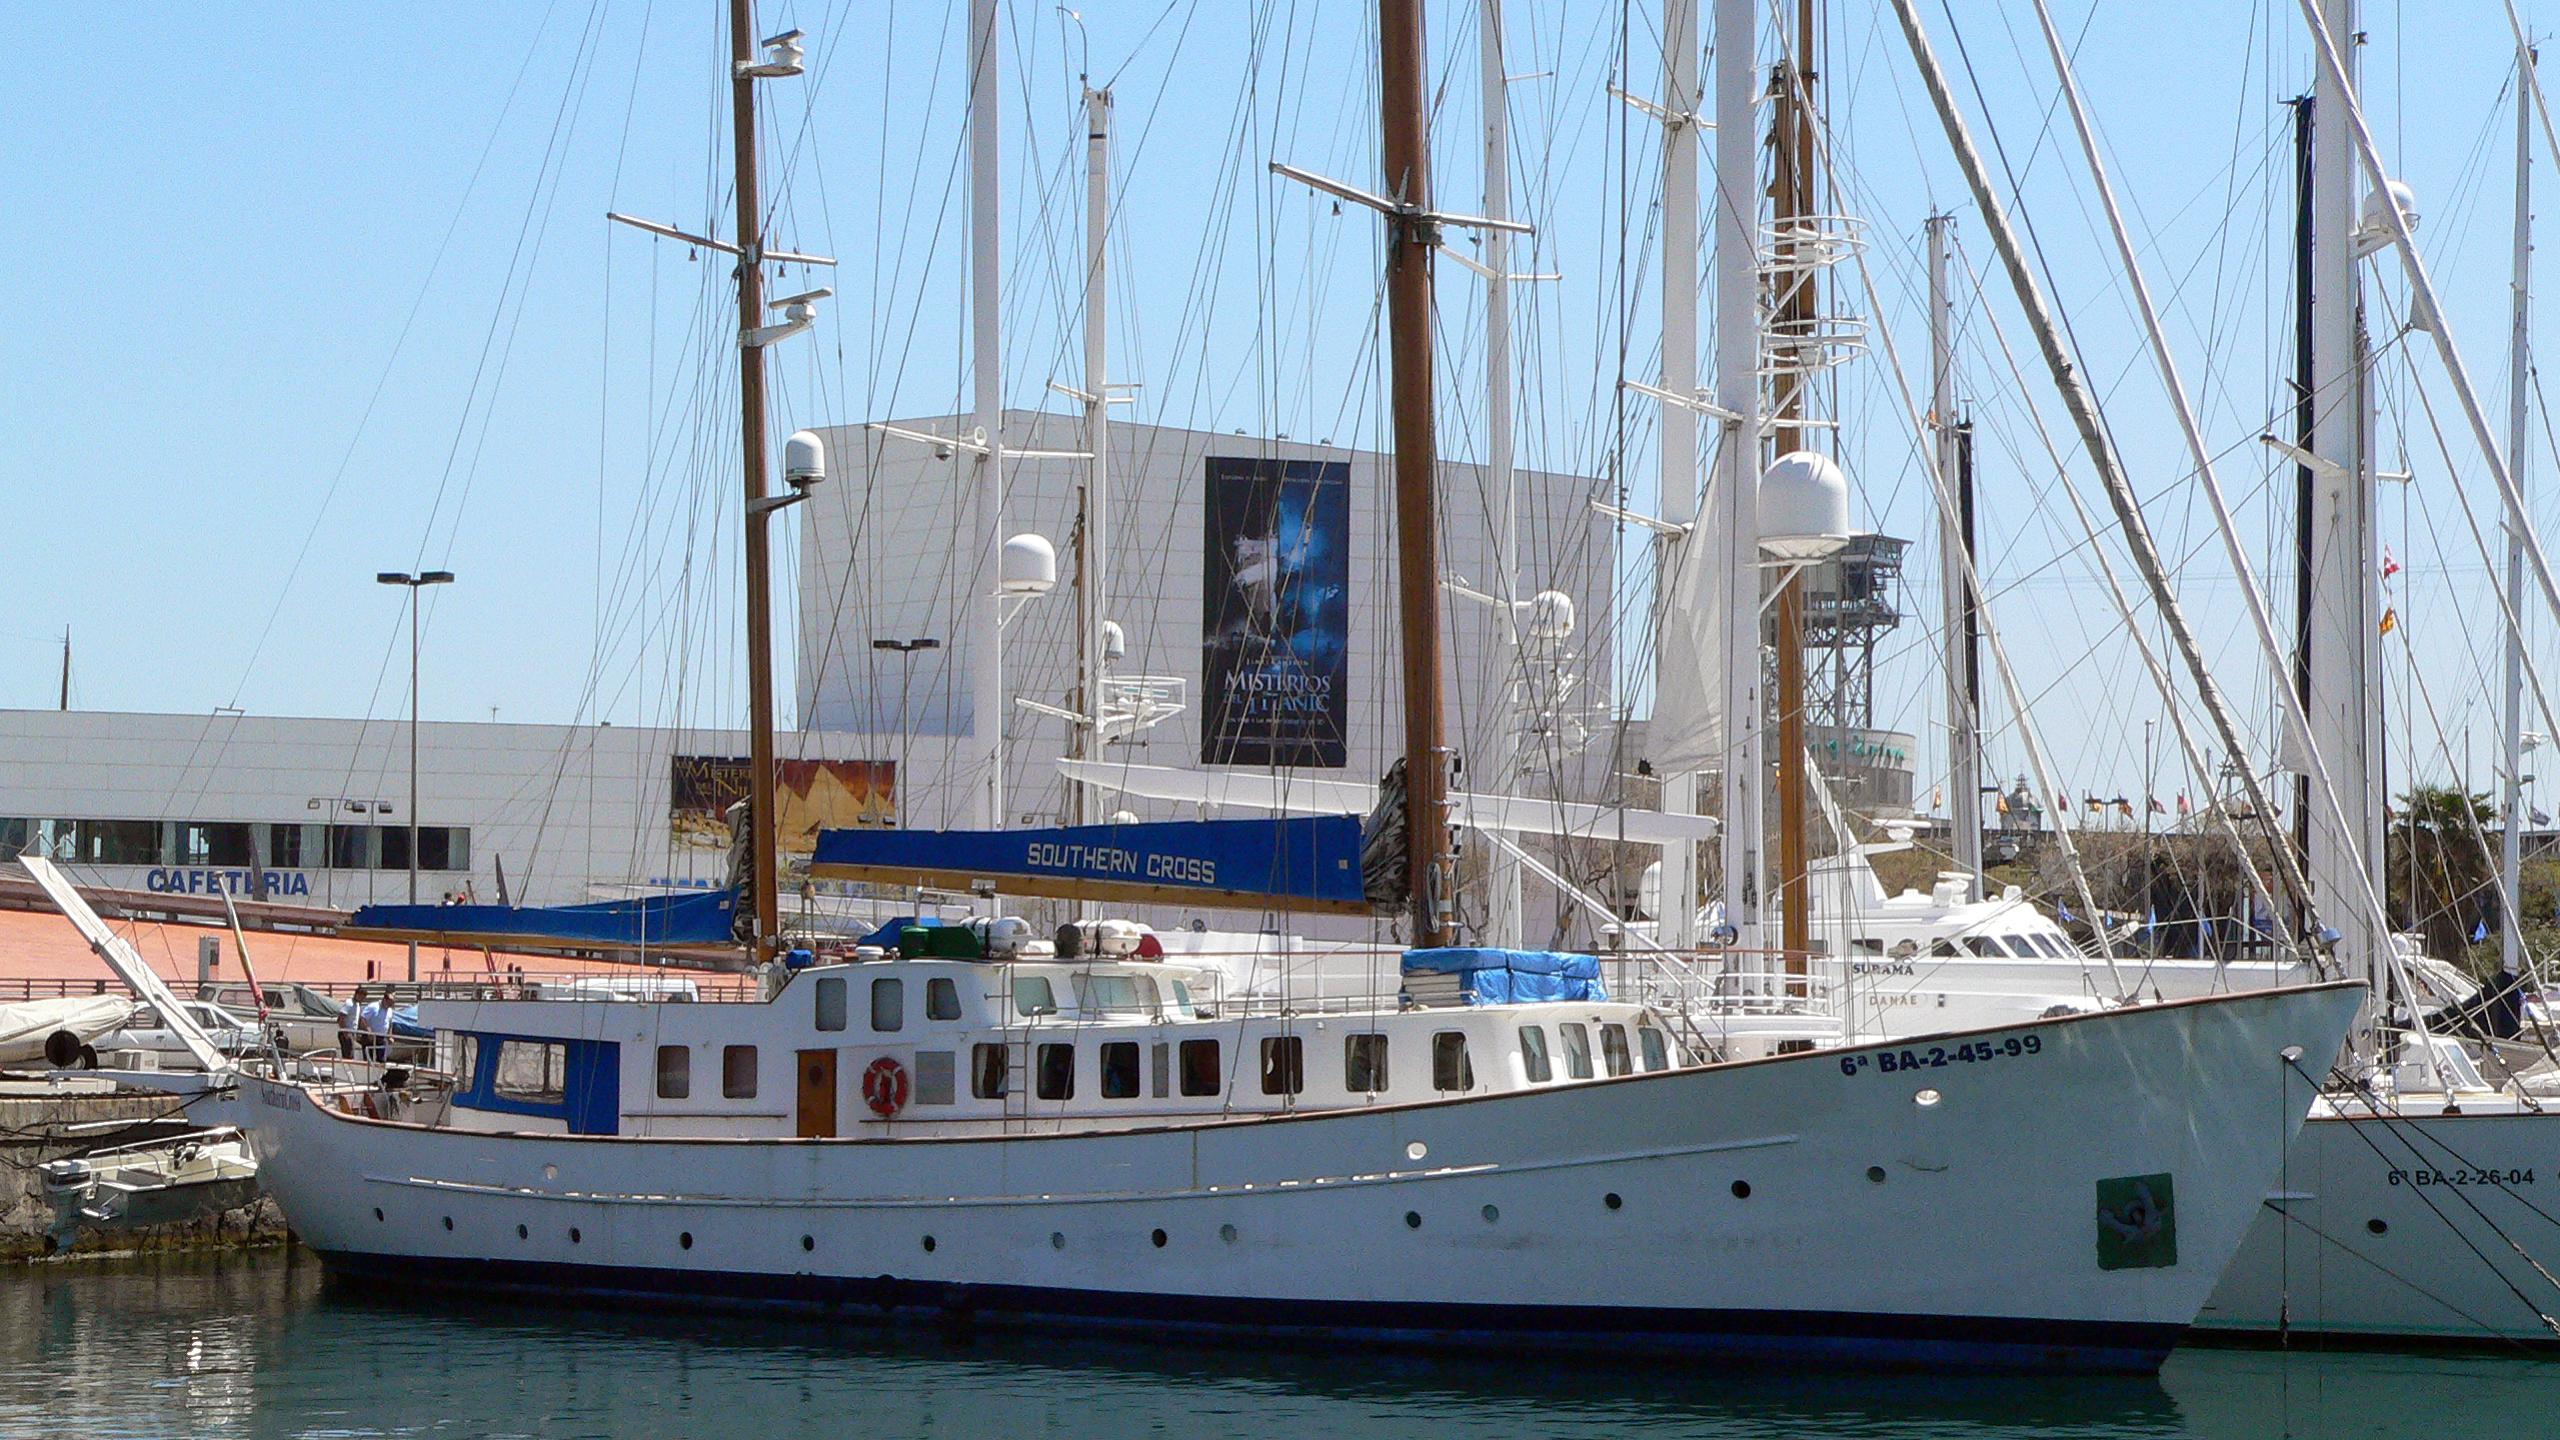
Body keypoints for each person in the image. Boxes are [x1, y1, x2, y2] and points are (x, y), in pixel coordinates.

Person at [360, 989, 394, 1063]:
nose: (389, 1006)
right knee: (369, 1058)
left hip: (381, 1037)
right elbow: (363, 1018)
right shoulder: (373, 1006)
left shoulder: (390, 1010)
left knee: (381, 1059)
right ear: (384, 1000)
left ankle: (380, 1073)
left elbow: (390, 1023)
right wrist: (369, 1031)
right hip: (370, 1037)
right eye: (389, 1003)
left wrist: (389, 1035)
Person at [338, 988, 363, 1061]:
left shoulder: (357, 1005)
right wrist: (345, 1032)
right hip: (346, 1032)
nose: (362, 999)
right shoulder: (349, 1003)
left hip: (352, 1032)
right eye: (361, 997)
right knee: (348, 1054)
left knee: (351, 1053)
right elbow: (340, 1018)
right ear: (357, 995)